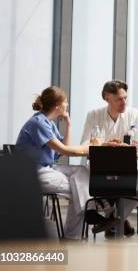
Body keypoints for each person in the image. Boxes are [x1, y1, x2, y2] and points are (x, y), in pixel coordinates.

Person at [16, 86, 95, 239]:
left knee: (81, 171)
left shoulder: (48, 123)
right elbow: (67, 151)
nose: (68, 105)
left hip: (48, 168)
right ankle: (75, 234)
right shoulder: (38, 123)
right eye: (65, 102)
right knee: (78, 187)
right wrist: (88, 148)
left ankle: (90, 213)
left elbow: (61, 151)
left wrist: (68, 124)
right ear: (57, 105)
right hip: (33, 173)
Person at [80, 80, 138, 238]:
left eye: (125, 98)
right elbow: (85, 143)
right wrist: (104, 144)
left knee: (136, 186)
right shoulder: (94, 115)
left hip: (128, 167)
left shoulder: (135, 114)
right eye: (119, 99)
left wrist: (127, 146)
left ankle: (112, 219)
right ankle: (117, 219)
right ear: (107, 98)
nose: (124, 102)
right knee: (131, 192)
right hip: (100, 169)